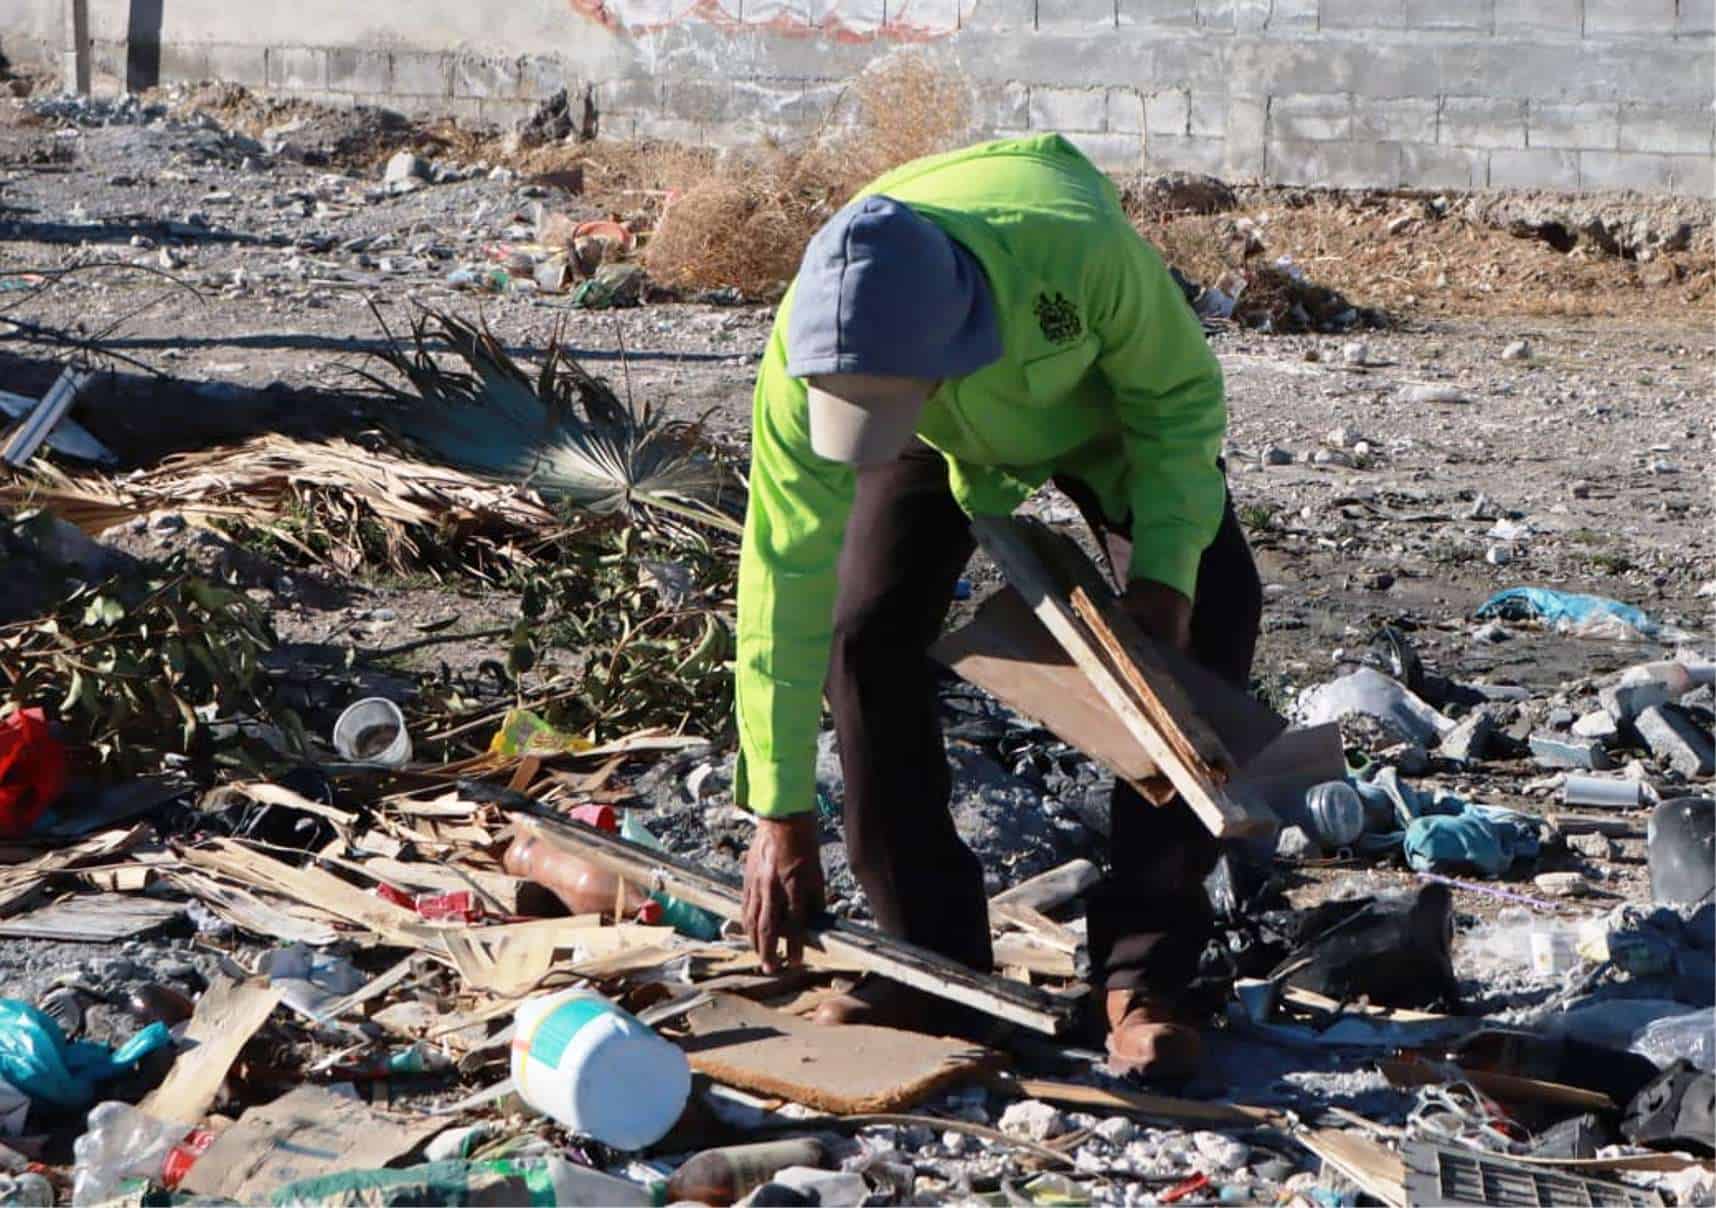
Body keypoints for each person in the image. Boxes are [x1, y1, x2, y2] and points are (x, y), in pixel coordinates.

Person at [733, 133, 1262, 1079]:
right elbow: (781, 578)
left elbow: (1179, 400)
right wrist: (778, 810)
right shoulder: (813, 350)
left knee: (1212, 610)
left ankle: (1144, 977)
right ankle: (935, 964)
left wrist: (1165, 577)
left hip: (1102, 418)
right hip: (934, 435)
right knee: (864, 629)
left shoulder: (1078, 248)